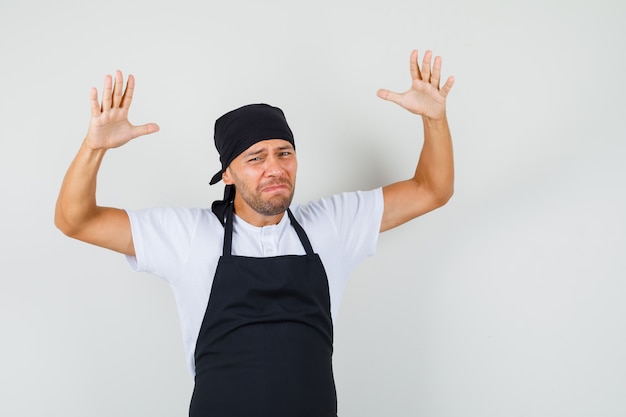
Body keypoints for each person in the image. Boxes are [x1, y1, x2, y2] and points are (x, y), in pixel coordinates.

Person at [55, 49, 455, 417]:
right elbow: (76, 220)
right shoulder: (188, 235)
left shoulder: (332, 224)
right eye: (255, 158)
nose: (274, 168)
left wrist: (434, 119)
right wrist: (95, 148)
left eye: (284, 153)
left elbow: (431, 189)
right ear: (227, 174)